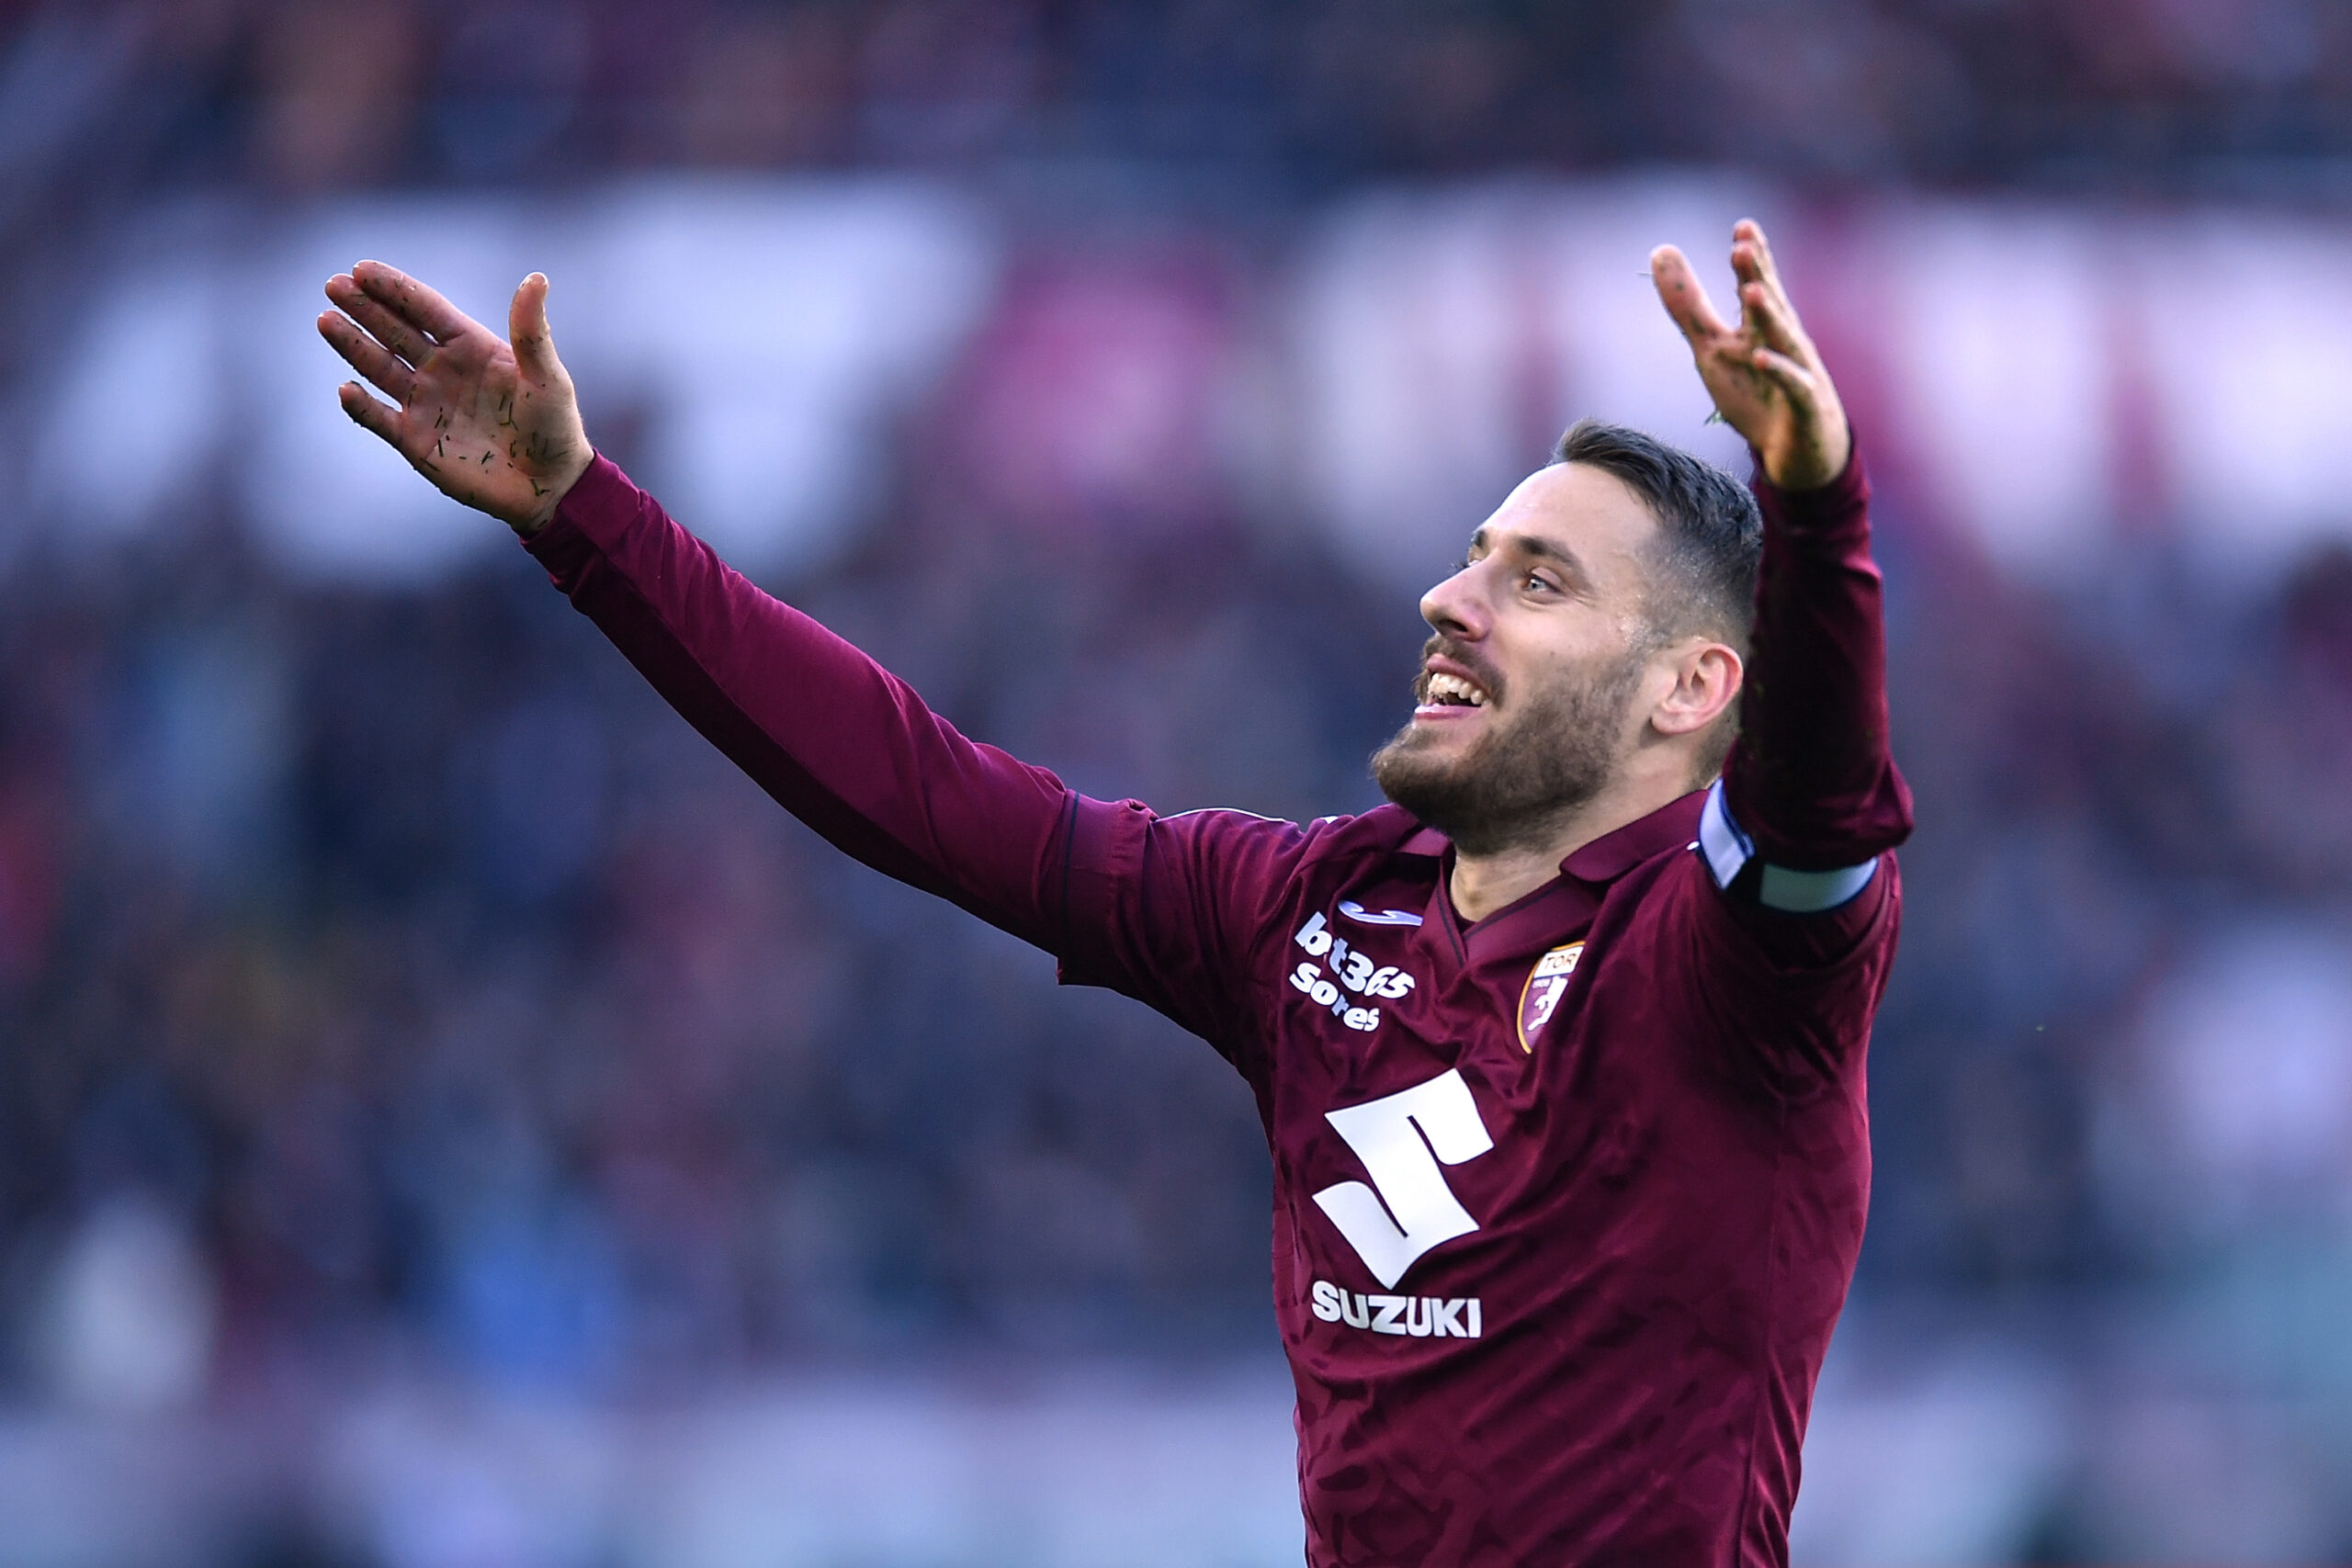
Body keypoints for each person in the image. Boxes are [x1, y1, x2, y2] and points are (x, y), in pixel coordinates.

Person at [318, 218, 1910, 1566]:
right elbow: (921, 791)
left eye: (1537, 581)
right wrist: (585, 519)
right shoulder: (1311, 912)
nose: (1450, 598)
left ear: (1691, 687)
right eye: (1475, 555)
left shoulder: (1730, 973)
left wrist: (1816, 502)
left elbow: (1821, 809)